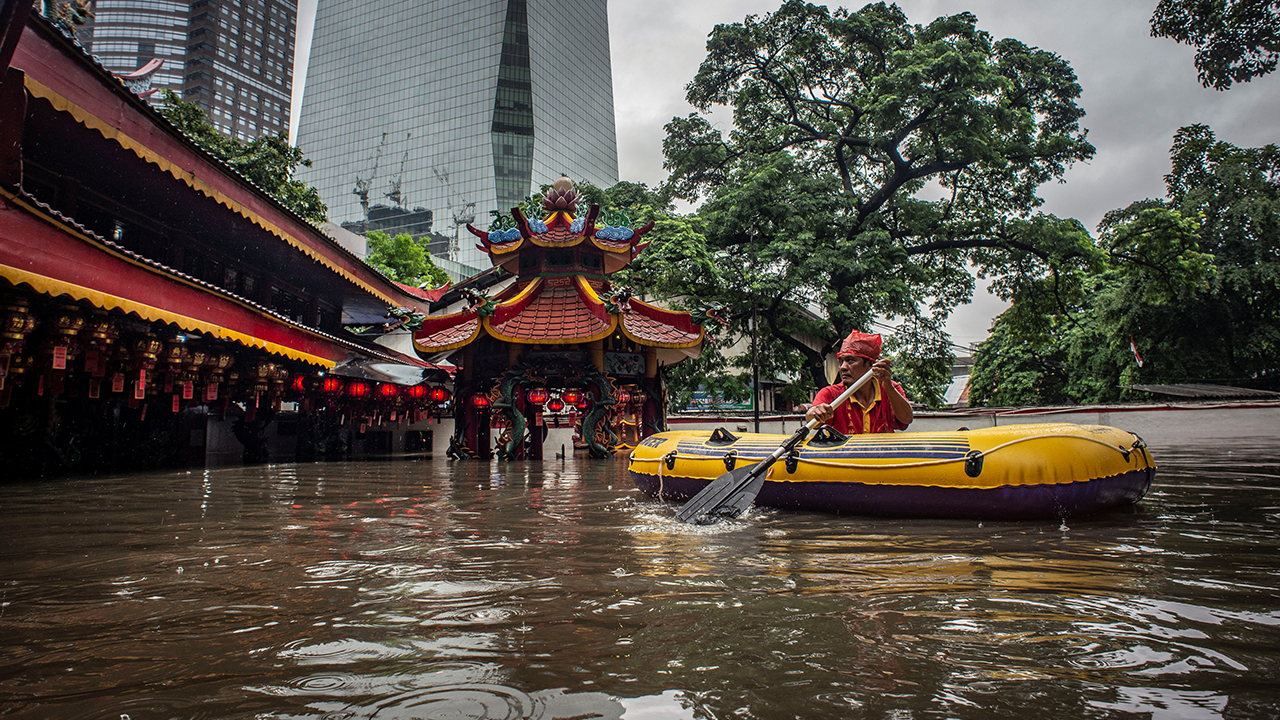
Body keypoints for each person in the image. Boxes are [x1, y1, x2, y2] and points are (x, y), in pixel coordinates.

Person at [804, 329, 913, 434]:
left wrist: (888, 386)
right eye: (841, 362)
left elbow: (906, 419)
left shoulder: (891, 388)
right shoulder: (830, 394)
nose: (842, 367)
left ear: (871, 365)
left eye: (850, 361)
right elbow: (812, 420)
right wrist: (814, 413)